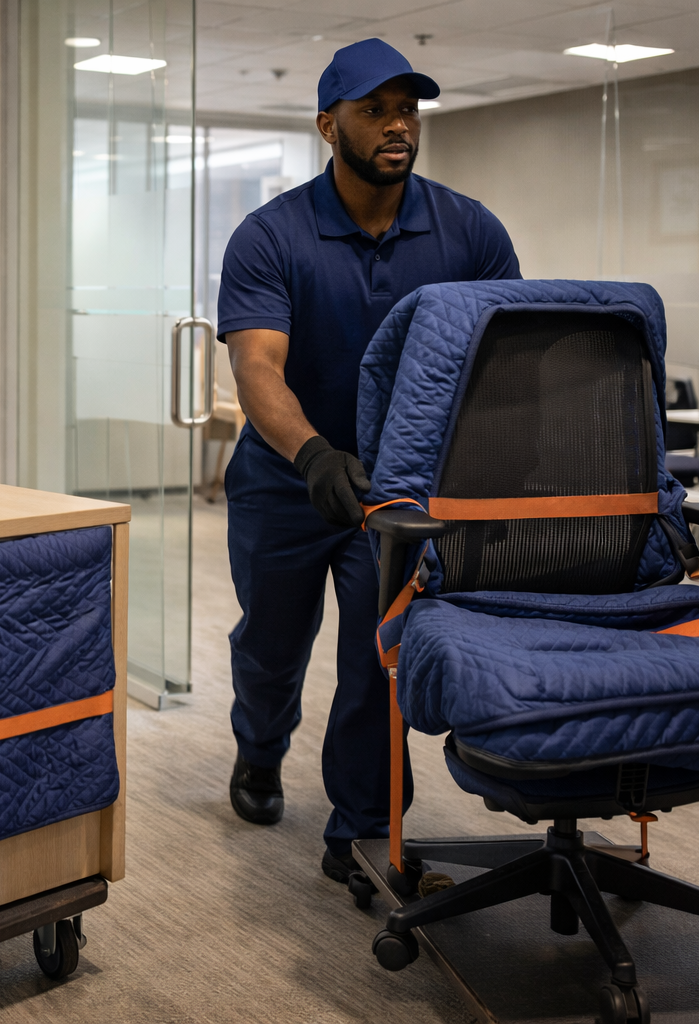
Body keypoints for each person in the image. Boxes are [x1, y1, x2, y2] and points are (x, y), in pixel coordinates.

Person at [216, 39, 521, 882]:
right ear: (329, 125)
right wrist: (313, 454)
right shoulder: (271, 235)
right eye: (376, 110)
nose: (398, 126)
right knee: (272, 646)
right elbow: (257, 369)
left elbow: (501, 369)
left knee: (374, 660)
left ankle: (358, 830)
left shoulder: (469, 232)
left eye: (408, 110)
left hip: (394, 493)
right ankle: (259, 746)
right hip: (288, 477)